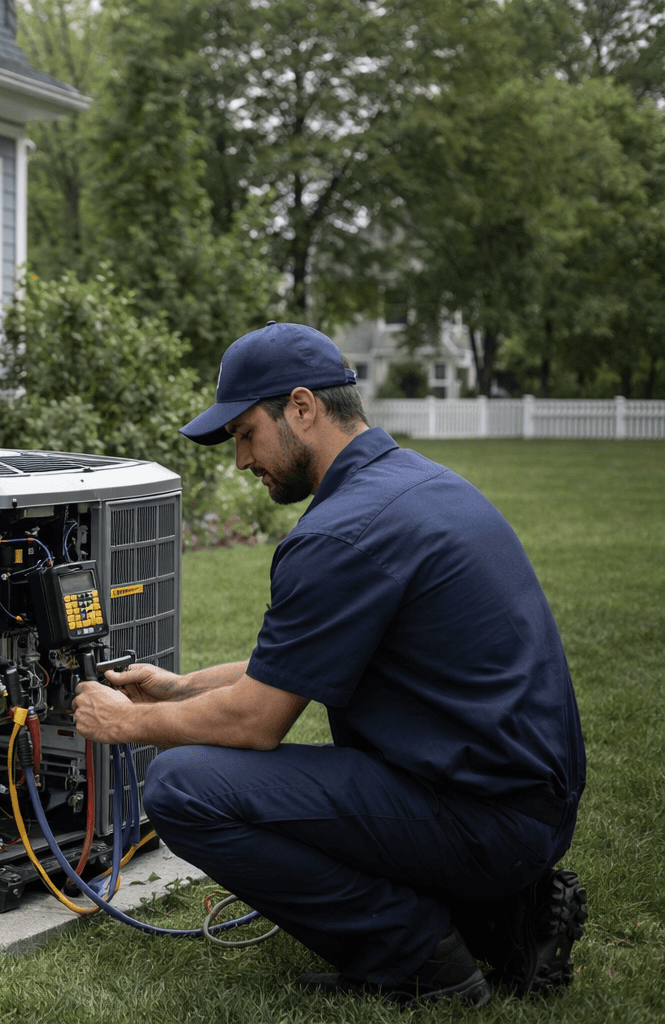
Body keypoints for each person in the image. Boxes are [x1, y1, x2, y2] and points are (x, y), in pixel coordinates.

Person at [72, 322, 587, 1007]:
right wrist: (179, 685)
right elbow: (303, 655)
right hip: (528, 806)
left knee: (181, 787)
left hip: (487, 820)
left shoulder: (343, 532)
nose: (241, 461)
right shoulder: (419, 485)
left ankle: (417, 956)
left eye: (246, 434)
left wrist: (126, 724)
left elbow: (258, 722)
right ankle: (501, 918)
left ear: (304, 407)